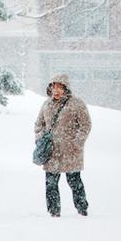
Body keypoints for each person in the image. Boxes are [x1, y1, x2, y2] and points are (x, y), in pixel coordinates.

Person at [35, 74, 92, 217]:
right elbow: (39, 124)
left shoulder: (76, 104)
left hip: (70, 152)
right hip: (51, 152)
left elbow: (85, 125)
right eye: (54, 86)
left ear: (66, 88)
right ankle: (54, 211)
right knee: (51, 183)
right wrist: (40, 139)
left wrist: (77, 143)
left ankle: (82, 209)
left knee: (74, 182)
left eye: (60, 87)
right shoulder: (46, 104)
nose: (56, 90)